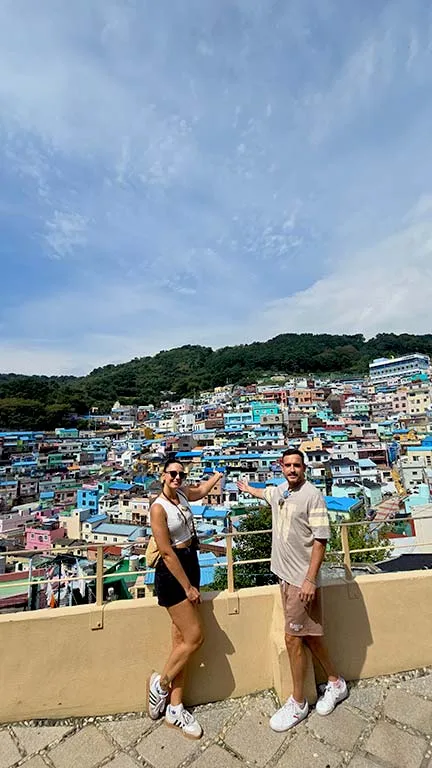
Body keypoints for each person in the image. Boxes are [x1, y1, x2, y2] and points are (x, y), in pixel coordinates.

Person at [237, 448, 347, 732]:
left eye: (297, 465)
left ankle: (298, 702)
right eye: (287, 465)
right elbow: (266, 494)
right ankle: (335, 682)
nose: (292, 469)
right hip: (285, 578)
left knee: (292, 639)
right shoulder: (281, 491)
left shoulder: (312, 495)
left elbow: (321, 540)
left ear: (304, 467)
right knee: (309, 636)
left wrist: (310, 579)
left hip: (301, 581)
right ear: (281, 467)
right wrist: (248, 489)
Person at [146, 458, 225, 739]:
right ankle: (161, 684)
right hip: (173, 574)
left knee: (181, 642)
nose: (177, 477)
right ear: (162, 475)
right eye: (172, 473)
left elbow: (201, 491)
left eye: (181, 474)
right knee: (195, 637)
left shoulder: (181, 494)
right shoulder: (158, 508)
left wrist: (216, 477)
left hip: (190, 562)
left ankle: (175, 708)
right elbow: (166, 553)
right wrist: (188, 587)